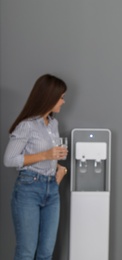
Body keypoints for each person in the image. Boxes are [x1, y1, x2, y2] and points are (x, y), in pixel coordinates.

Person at [3, 74, 68, 260]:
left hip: (52, 190)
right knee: (26, 252)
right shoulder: (27, 126)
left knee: (46, 253)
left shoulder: (53, 124)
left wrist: (59, 168)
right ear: (49, 96)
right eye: (61, 97)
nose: (63, 101)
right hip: (28, 189)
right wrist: (46, 155)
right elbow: (9, 159)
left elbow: (50, 156)